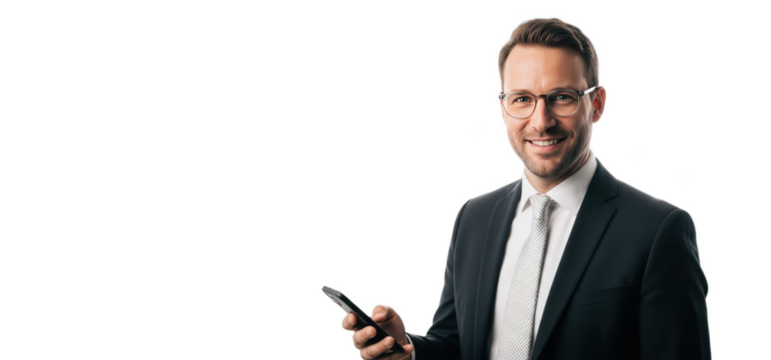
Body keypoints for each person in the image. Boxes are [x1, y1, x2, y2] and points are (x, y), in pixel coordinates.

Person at [339, 15, 711, 360]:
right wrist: (408, 349)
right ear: (502, 109)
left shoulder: (658, 230)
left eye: (562, 97)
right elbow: (456, 342)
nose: (541, 121)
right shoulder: (474, 217)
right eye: (522, 100)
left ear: (597, 105)